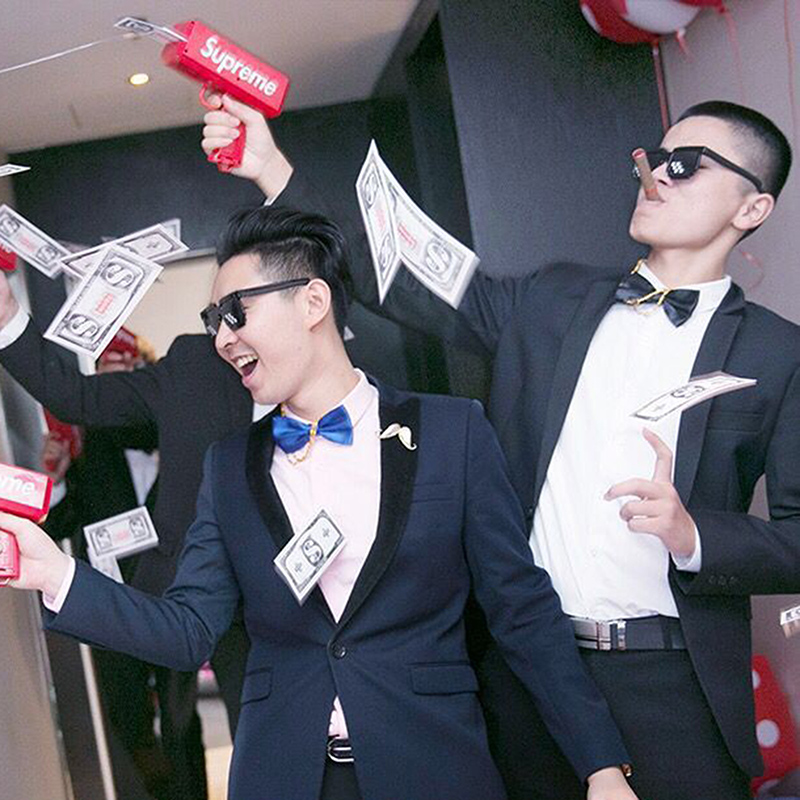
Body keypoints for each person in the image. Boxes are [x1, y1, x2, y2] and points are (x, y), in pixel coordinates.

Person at [200, 96, 800, 800]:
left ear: (752, 207)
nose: (656, 175)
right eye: (654, 158)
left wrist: (695, 536)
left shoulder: (776, 353)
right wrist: (273, 170)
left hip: (674, 684)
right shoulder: (552, 299)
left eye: (687, 165)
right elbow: (401, 278)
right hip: (525, 677)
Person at [2, 206, 639, 800]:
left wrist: (602, 767)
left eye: (235, 312)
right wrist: (54, 573)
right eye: (212, 320)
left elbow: (520, 608)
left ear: (312, 301)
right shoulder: (229, 468)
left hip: (434, 766)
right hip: (284, 776)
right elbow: (187, 628)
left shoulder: (453, 433)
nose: (222, 338)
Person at [42, 330, 202, 800]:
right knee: (128, 716)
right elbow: (59, 523)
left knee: (181, 714)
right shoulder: (88, 450)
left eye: (129, 374)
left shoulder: (183, 433)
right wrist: (54, 479)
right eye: (107, 378)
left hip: (176, 598)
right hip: (112, 606)